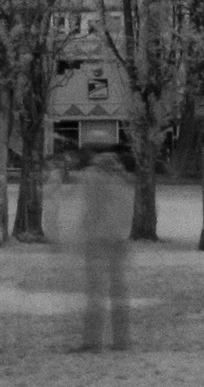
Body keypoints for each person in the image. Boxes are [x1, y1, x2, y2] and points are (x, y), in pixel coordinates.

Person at [77, 150, 134, 351]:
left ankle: (92, 341)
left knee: (95, 293)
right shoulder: (122, 181)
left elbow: (91, 210)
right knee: (119, 292)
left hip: (98, 240)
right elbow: (126, 212)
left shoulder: (93, 179)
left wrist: (86, 229)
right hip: (118, 240)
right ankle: (121, 340)